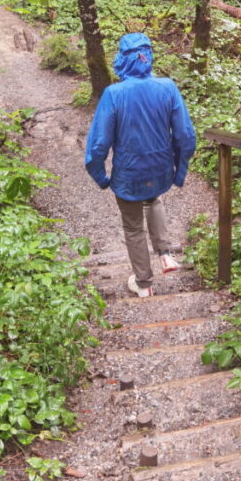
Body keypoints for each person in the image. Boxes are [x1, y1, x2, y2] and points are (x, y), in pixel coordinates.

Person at [84, 32, 196, 297]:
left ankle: (144, 284)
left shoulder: (114, 94)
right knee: (153, 199)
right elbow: (186, 136)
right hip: (159, 168)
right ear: (149, 57)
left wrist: (101, 177)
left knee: (133, 226)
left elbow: (99, 144)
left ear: (122, 59)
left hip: (129, 172)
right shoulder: (168, 87)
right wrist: (178, 172)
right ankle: (165, 254)